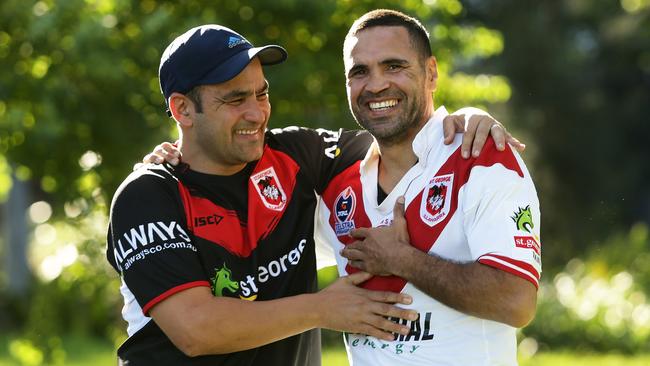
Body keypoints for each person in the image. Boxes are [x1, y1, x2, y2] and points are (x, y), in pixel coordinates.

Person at [127, 20, 521, 366]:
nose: (257, 113)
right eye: (235, 99)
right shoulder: (147, 196)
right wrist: (323, 309)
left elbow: (399, 134)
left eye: (261, 94)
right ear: (182, 110)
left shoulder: (298, 156)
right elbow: (196, 331)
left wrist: (468, 118)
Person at [312, 9, 541, 365]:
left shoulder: (482, 158)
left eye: (393, 66)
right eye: (359, 72)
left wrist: (402, 260)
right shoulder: (336, 186)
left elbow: (516, 301)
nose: (375, 85)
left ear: (431, 73)